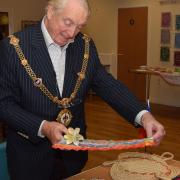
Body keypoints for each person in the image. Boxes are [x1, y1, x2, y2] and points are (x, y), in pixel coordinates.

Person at [0, 0, 165, 179]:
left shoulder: (84, 45)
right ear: (49, 11)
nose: (72, 34)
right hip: (29, 157)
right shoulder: (13, 47)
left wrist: (143, 116)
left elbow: (108, 85)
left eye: (79, 26)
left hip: (72, 157)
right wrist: (44, 127)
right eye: (68, 22)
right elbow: (4, 104)